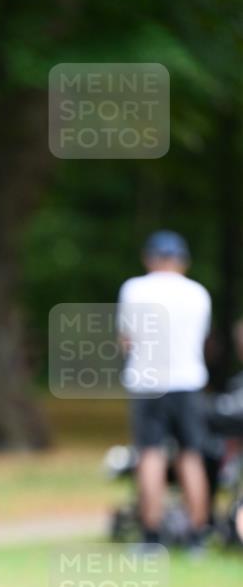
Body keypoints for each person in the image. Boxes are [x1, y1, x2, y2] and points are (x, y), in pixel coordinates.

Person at [116, 230, 211, 552]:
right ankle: (197, 534)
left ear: (149, 258)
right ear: (183, 261)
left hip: (147, 383)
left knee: (151, 455)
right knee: (190, 455)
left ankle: (152, 536)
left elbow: (126, 339)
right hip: (188, 381)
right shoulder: (198, 293)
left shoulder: (134, 289)